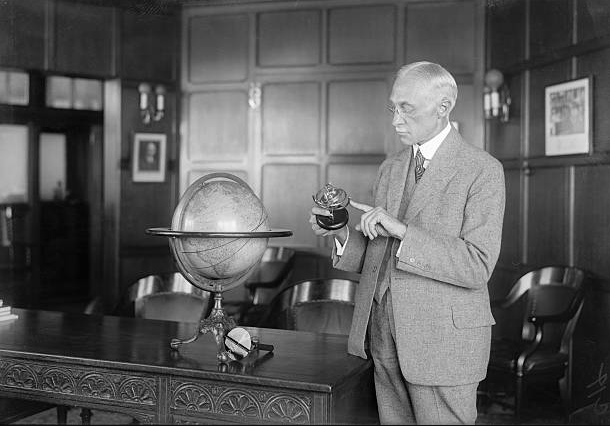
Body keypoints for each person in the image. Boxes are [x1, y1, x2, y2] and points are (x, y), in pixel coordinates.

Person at [309, 61, 505, 425]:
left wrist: (402, 230)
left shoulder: (482, 170)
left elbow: (476, 265)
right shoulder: (391, 167)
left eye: (406, 109)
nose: (396, 120)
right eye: (393, 108)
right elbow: (379, 256)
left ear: (443, 107)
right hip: (383, 335)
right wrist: (340, 232)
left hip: (443, 344)